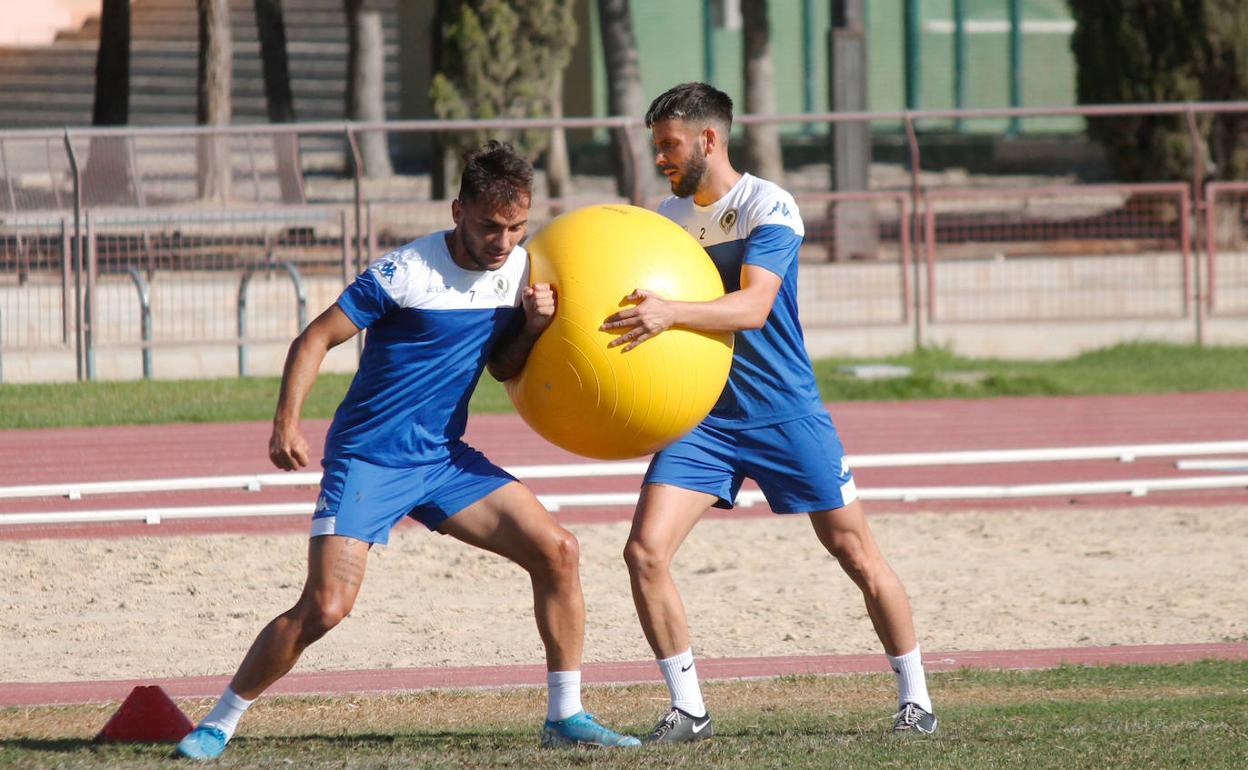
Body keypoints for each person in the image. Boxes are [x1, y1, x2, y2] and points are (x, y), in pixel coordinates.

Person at [176, 141, 639, 759]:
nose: (503, 242)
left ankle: (565, 714)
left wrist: (530, 325)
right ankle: (220, 720)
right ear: (457, 212)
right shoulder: (405, 271)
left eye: (516, 228)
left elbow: (501, 368)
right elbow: (315, 338)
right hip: (369, 458)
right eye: (489, 227)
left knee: (558, 552)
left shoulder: (520, 271)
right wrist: (286, 420)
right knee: (326, 607)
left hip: (443, 461)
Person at [601, 83, 937, 742]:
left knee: (856, 553)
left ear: (708, 139)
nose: (660, 158)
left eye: (669, 145)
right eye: (656, 146)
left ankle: (916, 699)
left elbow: (754, 307)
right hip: (702, 419)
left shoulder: (767, 204)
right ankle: (689, 709)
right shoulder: (664, 221)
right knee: (644, 552)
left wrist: (671, 313)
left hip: (786, 412)